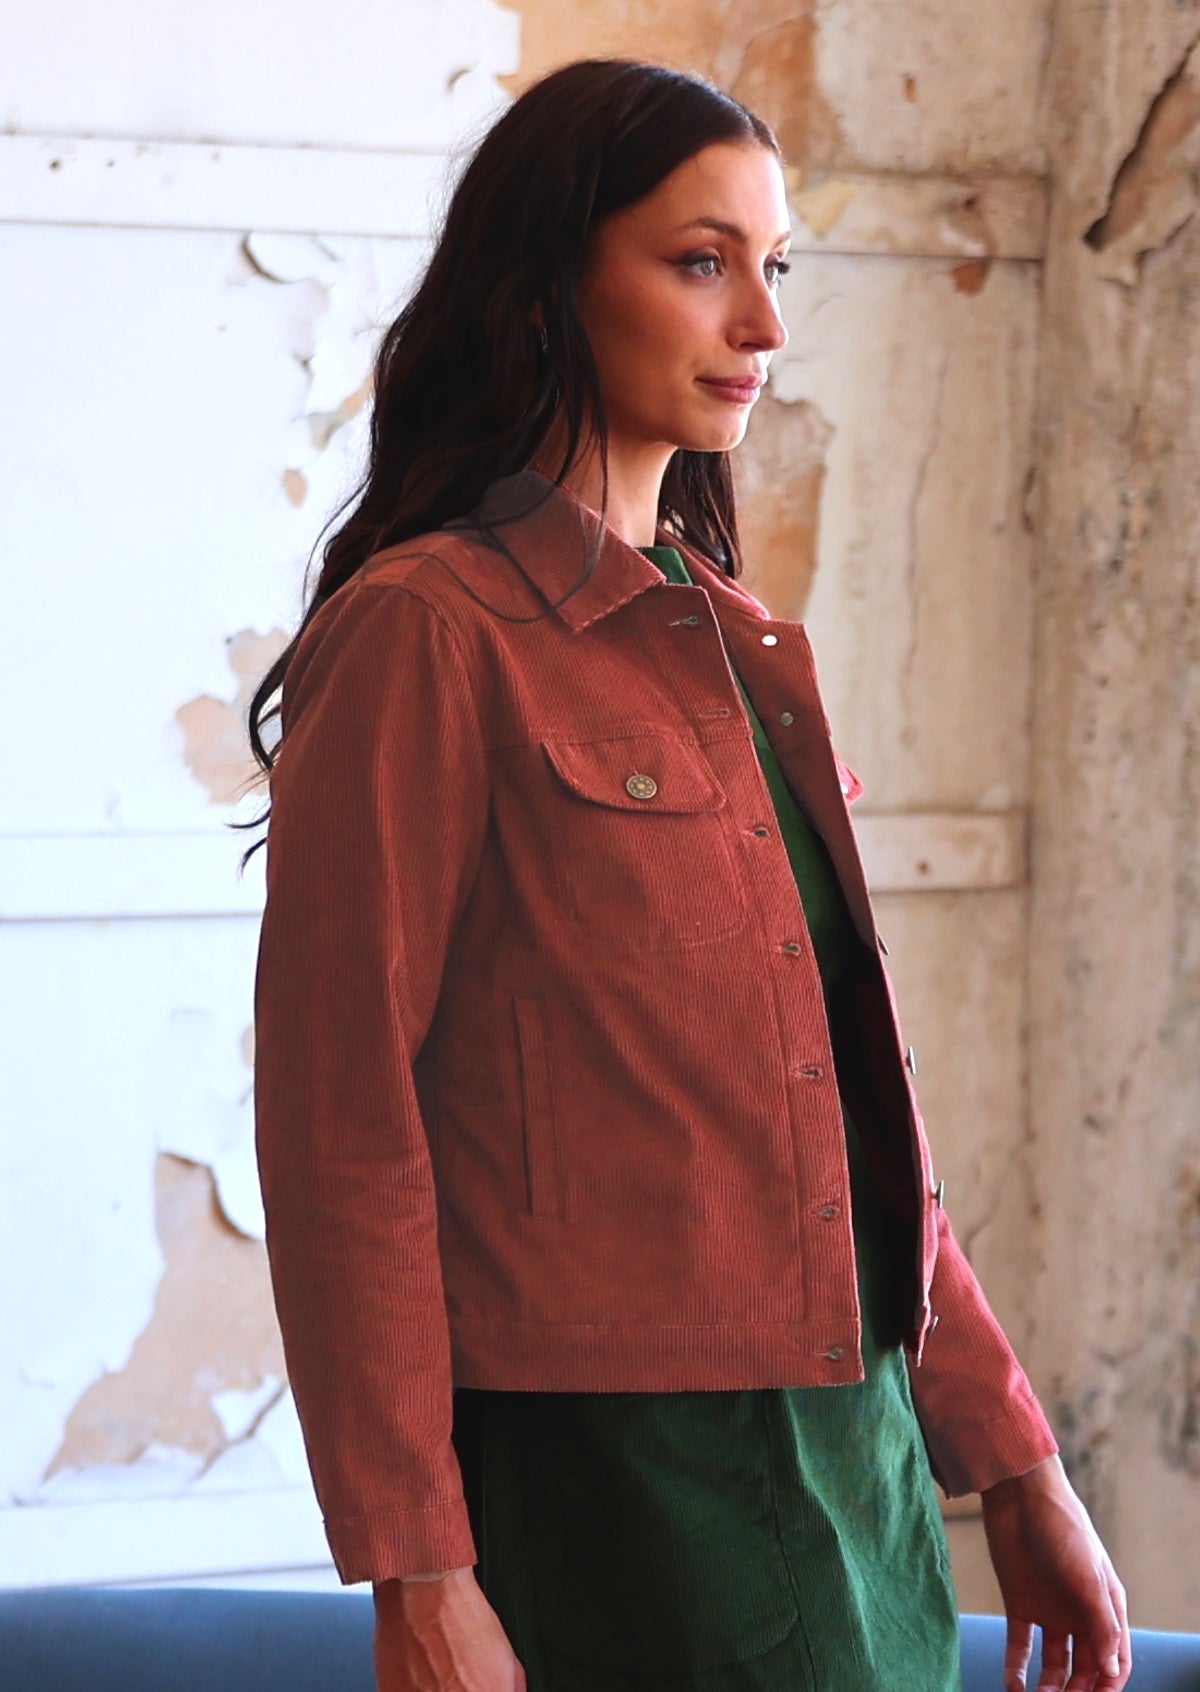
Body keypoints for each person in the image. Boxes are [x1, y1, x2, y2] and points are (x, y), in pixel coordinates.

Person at [247, 56, 1131, 1692]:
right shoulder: (429, 636)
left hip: (854, 1453)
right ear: (549, 287)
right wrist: (414, 1567)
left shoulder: (732, 644)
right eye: (701, 260)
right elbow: (338, 1126)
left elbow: (845, 1093)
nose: (765, 326)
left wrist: (1012, 1455)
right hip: (621, 1479)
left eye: (773, 266)